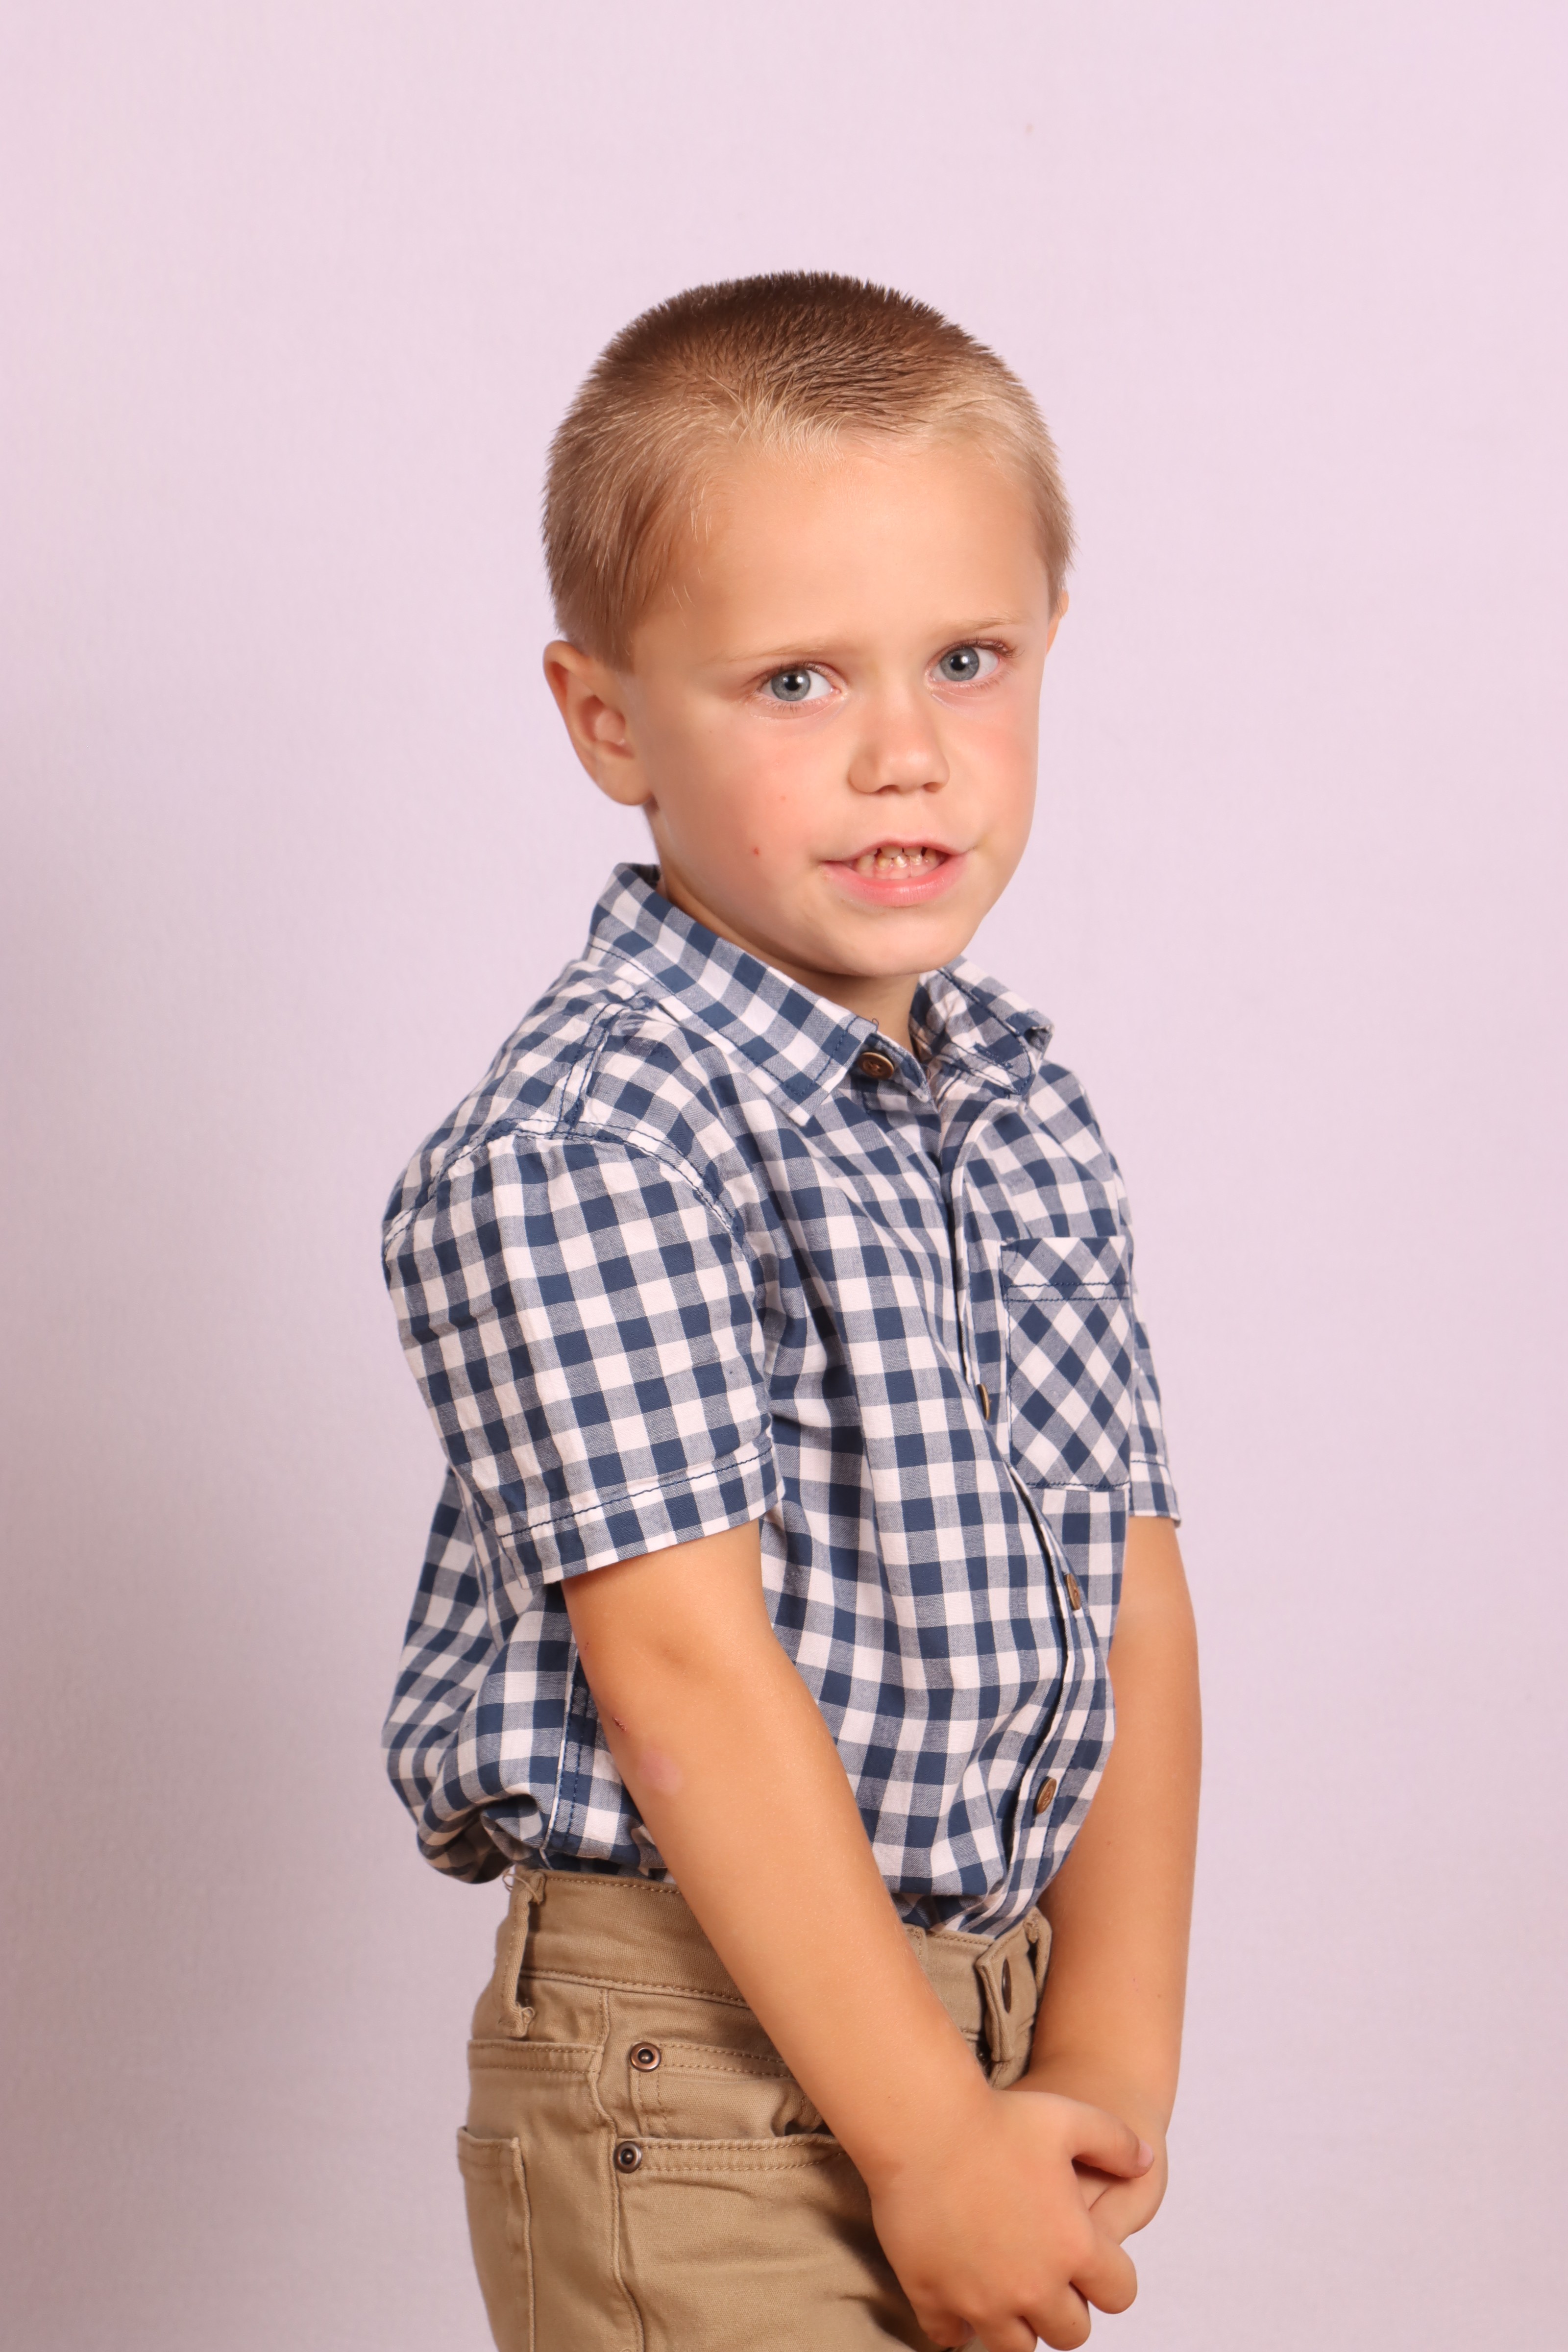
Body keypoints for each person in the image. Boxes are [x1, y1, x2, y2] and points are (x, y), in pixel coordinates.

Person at [380, 272, 1200, 2352]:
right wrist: (920, 2142)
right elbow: (681, 1669)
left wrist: (1102, 2055)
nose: (905, 753)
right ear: (607, 722)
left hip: (978, 2012)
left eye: (965, 661)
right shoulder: (592, 1138)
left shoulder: (1012, 1104)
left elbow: (1128, 1578)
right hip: (700, 2060)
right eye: (795, 682)